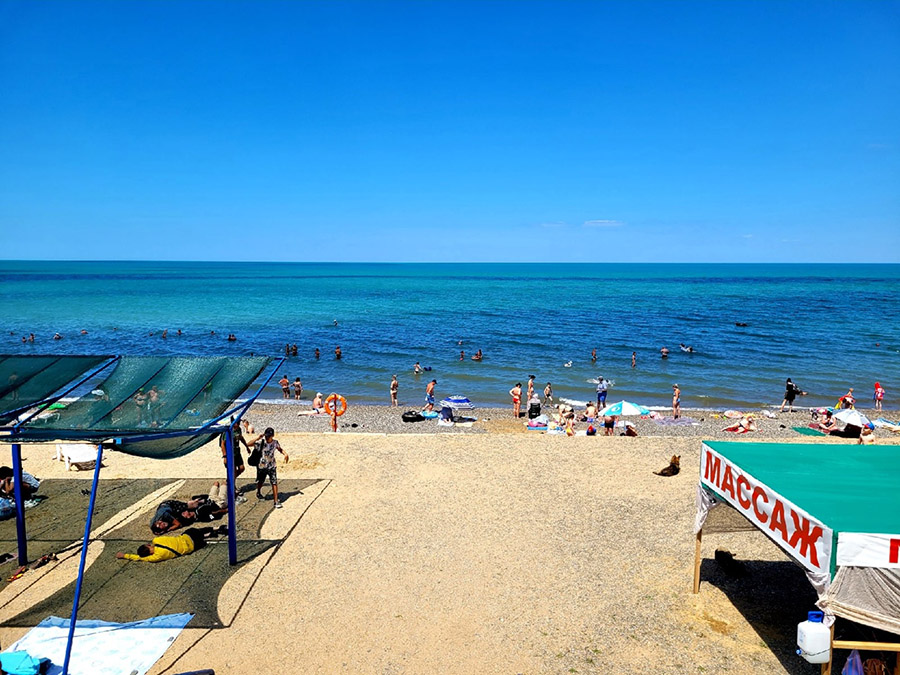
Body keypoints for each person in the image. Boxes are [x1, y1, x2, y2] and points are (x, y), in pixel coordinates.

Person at [116, 525, 228, 562]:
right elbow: (167, 537)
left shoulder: (156, 557)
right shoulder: (157, 541)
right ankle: (216, 528)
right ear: (148, 545)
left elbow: (139, 558)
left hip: (192, 548)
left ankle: (208, 536)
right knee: (194, 531)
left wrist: (125, 556)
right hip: (187, 537)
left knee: (201, 540)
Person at [252, 427, 289, 508]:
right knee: (261, 481)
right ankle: (258, 491)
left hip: (272, 466)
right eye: (266, 436)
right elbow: (249, 444)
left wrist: (285, 454)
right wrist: (258, 437)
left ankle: (276, 501)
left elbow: (279, 449)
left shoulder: (275, 443)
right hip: (262, 466)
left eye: (269, 436)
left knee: (274, 482)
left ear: (272, 436)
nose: (267, 437)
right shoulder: (261, 442)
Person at [220, 420, 249, 503]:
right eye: (237, 422)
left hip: (237, 452)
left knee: (241, 468)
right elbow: (223, 444)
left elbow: (240, 437)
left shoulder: (238, 429)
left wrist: (246, 446)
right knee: (233, 471)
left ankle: (230, 481)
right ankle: (232, 487)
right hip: (230, 454)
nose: (238, 424)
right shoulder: (228, 431)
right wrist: (225, 456)